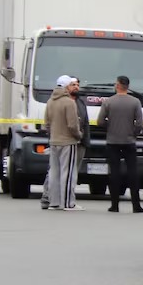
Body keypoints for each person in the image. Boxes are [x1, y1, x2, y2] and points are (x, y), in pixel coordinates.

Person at [98, 75, 143, 213]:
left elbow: (100, 121)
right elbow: (140, 124)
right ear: (127, 86)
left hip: (112, 141)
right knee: (133, 173)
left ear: (117, 85)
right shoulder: (135, 102)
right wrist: (133, 133)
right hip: (129, 141)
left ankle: (114, 205)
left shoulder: (108, 102)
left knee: (114, 172)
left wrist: (110, 126)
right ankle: (136, 205)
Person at [41, 77, 89, 209]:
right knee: (68, 173)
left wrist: (52, 135)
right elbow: (73, 125)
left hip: (54, 141)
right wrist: (79, 135)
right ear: (66, 86)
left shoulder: (51, 101)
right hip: (68, 142)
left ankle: (54, 202)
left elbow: (47, 123)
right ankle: (68, 202)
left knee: (54, 172)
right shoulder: (69, 103)